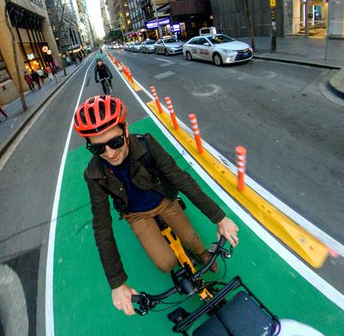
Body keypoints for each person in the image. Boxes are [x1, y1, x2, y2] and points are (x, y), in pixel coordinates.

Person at [74, 95, 239, 316]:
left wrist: (220, 218)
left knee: (191, 239)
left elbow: (180, 178)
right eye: (98, 149)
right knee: (165, 263)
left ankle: (203, 254)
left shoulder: (147, 144)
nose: (110, 153)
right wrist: (117, 283)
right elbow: (102, 226)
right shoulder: (93, 174)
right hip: (136, 214)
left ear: (126, 130)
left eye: (115, 142)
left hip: (164, 200)